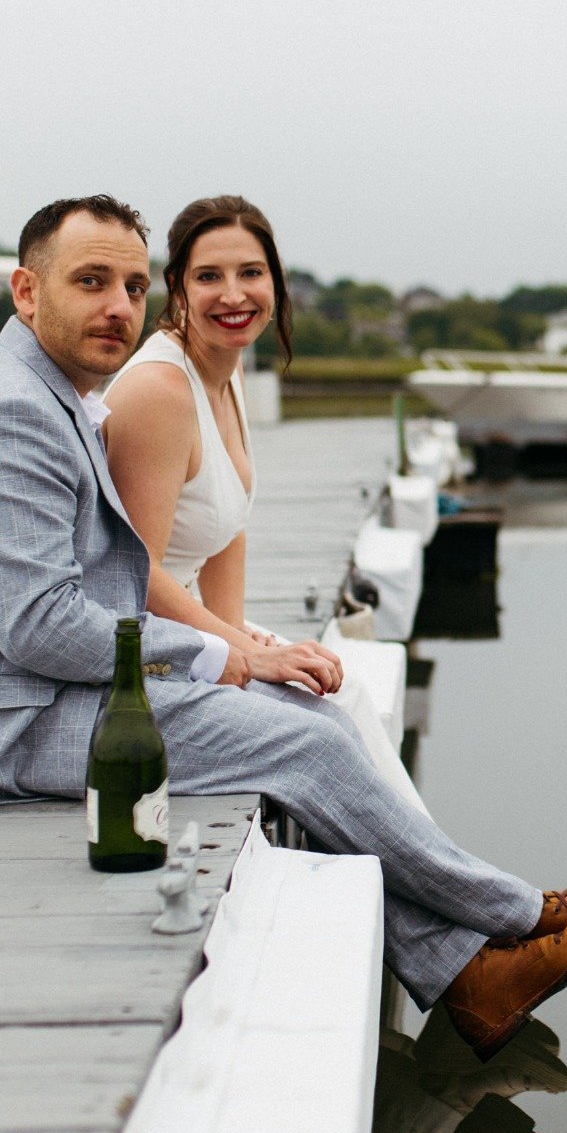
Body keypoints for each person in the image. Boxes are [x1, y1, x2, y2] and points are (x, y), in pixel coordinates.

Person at [0, 195, 567, 1058]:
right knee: (304, 747)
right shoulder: (4, 412)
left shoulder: (44, 389)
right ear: (24, 290)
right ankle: (525, 915)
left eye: (128, 283)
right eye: (89, 282)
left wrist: (236, 653)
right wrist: (217, 657)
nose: (117, 307)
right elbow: (41, 627)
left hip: (26, 687)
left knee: (306, 720)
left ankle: (474, 977)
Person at [100, 195, 414, 808]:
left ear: (275, 282)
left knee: (341, 690)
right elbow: (133, 573)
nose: (234, 294)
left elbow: (227, 522)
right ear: (177, 288)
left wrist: (240, 633)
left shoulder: (229, 370)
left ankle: (425, 864)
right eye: (208, 276)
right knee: (321, 723)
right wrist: (238, 656)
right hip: (145, 649)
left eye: (251, 273)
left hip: (191, 623)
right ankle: (448, 883)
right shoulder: (160, 392)